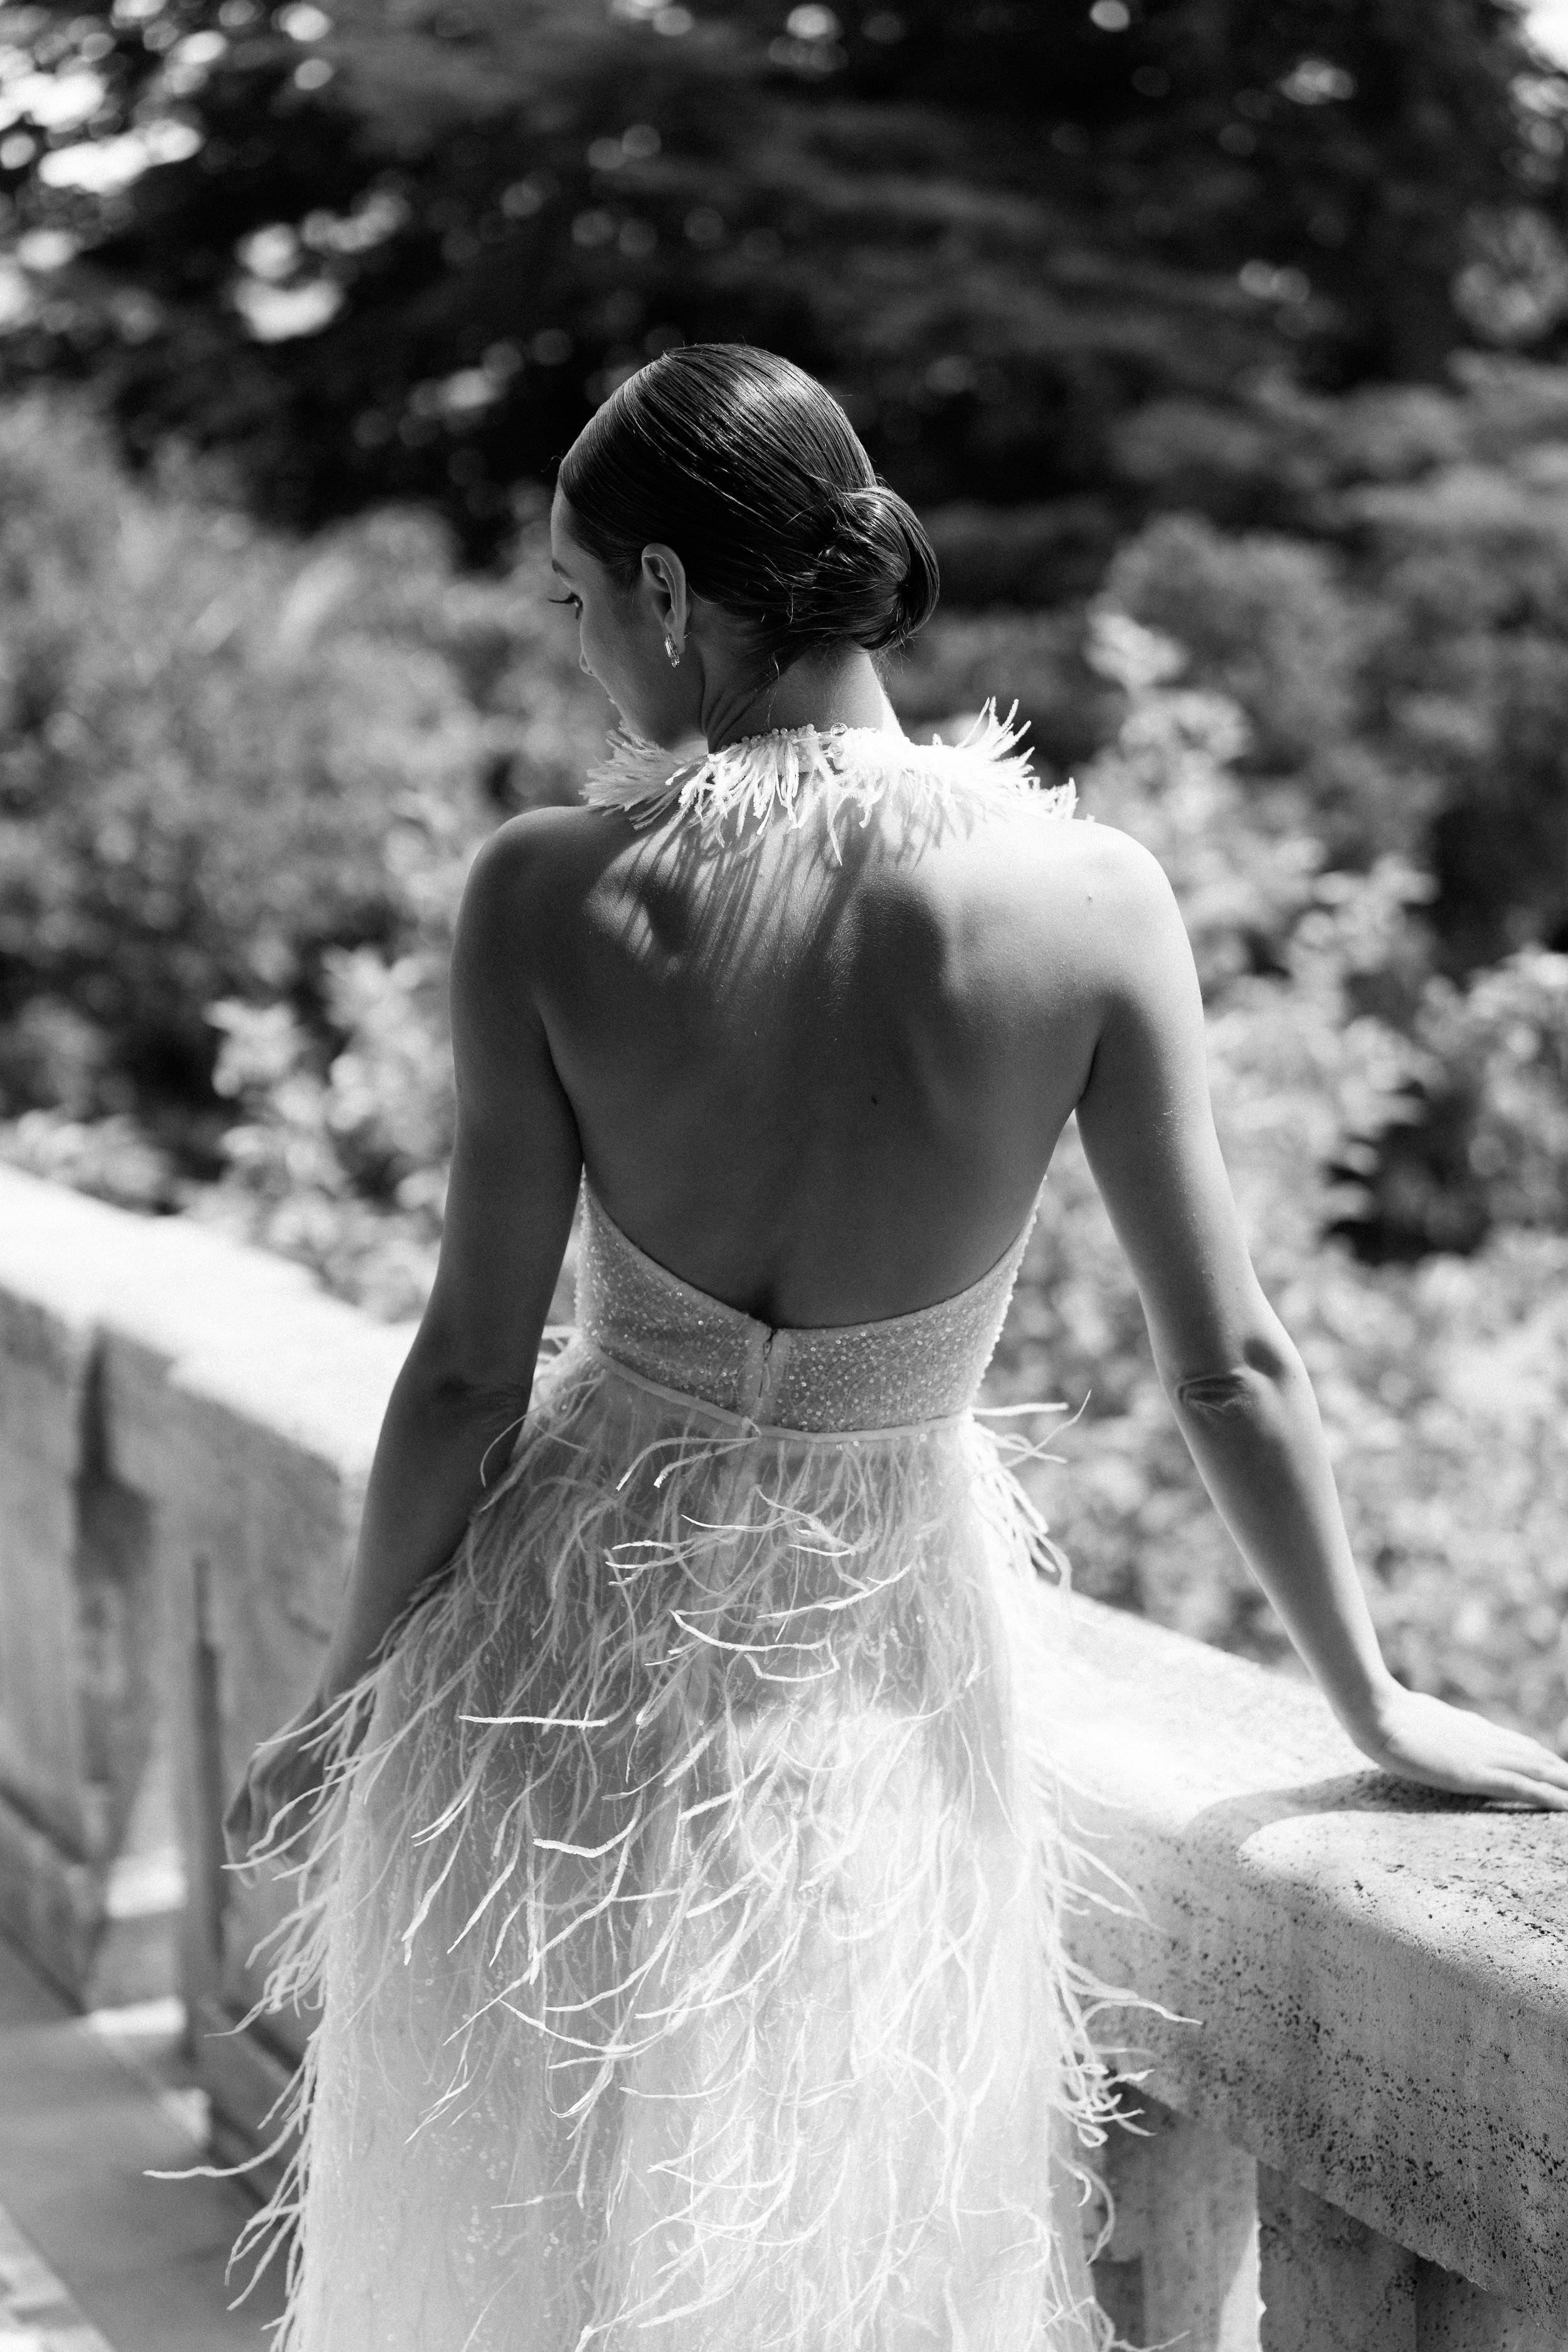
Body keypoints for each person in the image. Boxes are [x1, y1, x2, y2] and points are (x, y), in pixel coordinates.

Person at [225, 344, 1568, 2352]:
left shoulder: (543, 894)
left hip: (540, 1693)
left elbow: (461, 1382)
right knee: (828, 2257)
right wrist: (1368, 1699)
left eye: (584, 604)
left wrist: (341, 1694)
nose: (586, 653)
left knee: (523, 2266)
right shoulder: (1092, 898)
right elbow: (1232, 1369)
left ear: (673, 596)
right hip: (871, 1692)